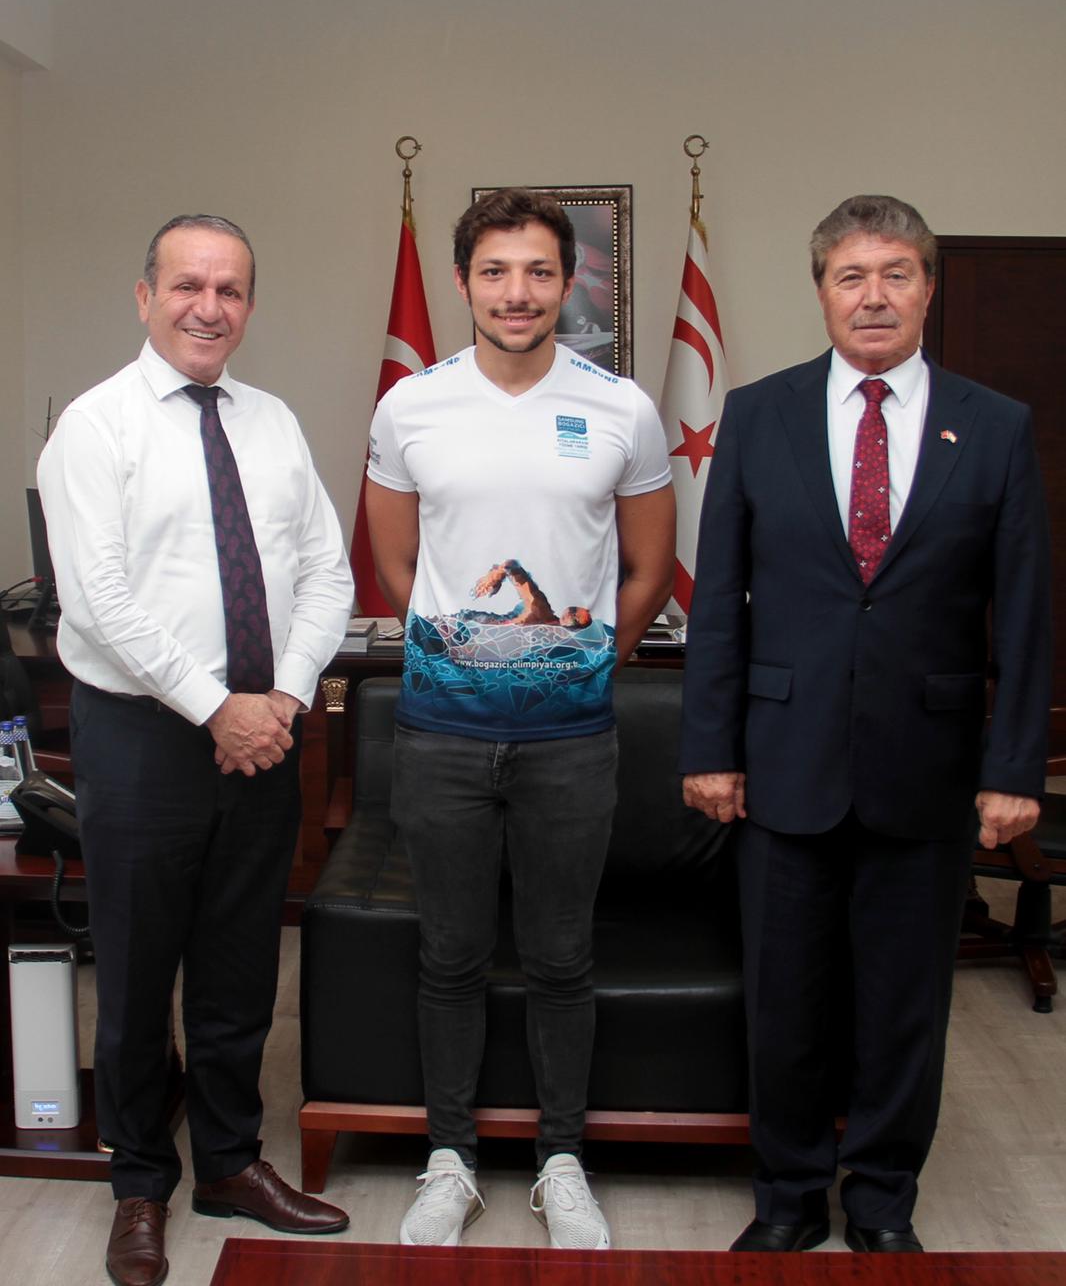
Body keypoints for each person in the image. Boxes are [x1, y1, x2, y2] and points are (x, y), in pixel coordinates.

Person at [680, 195, 1051, 1254]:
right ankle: (789, 1198)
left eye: (896, 273)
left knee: (903, 1005)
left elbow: (1023, 611)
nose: (874, 295)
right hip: (780, 762)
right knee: (785, 1002)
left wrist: (1012, 765)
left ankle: (884, 1201)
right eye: (852, 275)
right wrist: (710, 748)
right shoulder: (760, 415)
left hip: (928, 769)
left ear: (929, 288)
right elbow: (720, 602)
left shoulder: (994, 424)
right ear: (821, 292)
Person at [38, 215, 355, 1286]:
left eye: (228, 289)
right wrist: (218, 707)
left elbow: (326, 573)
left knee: (239, 961)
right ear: (145, 296)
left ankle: (228, 1162)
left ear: (249, 306)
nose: (207, 307)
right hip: (143, 735)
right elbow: (100, 598)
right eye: (187, 285)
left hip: (263, 731)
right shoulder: (97, 426)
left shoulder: (273, 422)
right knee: (134, 973)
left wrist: (282, 699)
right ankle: (139, 1182)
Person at [365, 187, 675, 1250]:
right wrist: (469, 660)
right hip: (439, 736)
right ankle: (450, 1159)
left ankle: (561, 1160)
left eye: (539, 270)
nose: (517, 292)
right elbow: (397, 564)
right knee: (449, 956)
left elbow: (646, 570)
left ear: (568, 282)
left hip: (572, 741)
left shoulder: (623, 407)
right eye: (495, 271)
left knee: (560, 958)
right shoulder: (411, 406)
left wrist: (571, 666)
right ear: (463, 282)